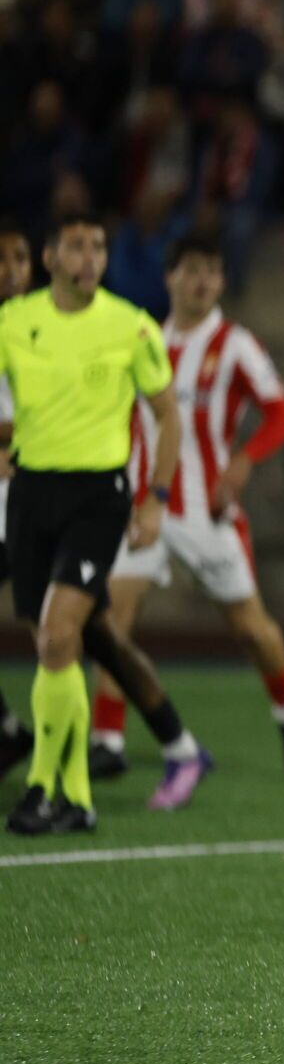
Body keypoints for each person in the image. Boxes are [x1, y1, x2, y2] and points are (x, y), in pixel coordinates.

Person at [0, 210, 208, 834]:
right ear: (50, 258)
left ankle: (42, 786)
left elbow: (168, 416)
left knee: (61, 635)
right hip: (31, 495)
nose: (90, 258)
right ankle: (81, 796)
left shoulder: (130, 325)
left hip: (98, 498)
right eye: (77, 247)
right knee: (53, 644)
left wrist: (156, 498)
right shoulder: (15, 323)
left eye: (98, 246)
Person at [98, 232, 284, 781]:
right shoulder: (142, 338)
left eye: (213, 271)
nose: (203, 281)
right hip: (146, 509)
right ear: (169, 277)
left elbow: (281, 414)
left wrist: (242, 461)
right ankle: (108, 740)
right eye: (192, 269)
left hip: (205, 513)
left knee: (250, 628)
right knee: (112, 618)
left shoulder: (235, 344)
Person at [0, 222, 38, 778]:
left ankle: (65, 763)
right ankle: (10, 732)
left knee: (53, 632)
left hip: (37, 502)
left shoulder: (47, 330)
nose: (10, 268)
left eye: (20, 257)